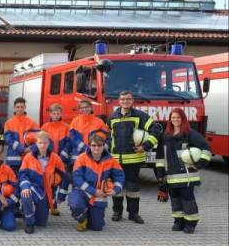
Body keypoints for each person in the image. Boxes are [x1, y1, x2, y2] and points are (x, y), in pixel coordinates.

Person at [107, 91, 162, 224]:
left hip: (133, 159)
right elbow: (109, 137)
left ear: (132, 101)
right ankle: (117, 212)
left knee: (133, 189)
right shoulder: (113, 117)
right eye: (123, 99)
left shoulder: (140, 116)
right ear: (119, 101)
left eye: (128, 99)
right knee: (117, 188)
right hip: (116, 160)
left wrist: (146, 146)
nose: (125, 101)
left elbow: (156, 129)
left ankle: (133, 214)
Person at [155, 108, 212, 234]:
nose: (175, 120)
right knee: (175, 199)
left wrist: (200, 163)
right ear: (170, 120)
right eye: (173, 117)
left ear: (183, 119)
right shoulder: (165, 136)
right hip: (171, 175)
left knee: (187, 199)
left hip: (187, 175)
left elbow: (206, 147)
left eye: (178, 117)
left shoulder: (190, 134)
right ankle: (178, 221)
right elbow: (160, 157)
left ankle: (191, 223)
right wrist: (160, 174)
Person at [61, 134, 125, 232]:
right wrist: (93, 191)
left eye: (99, 145)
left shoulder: (111, 160)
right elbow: (77, 179)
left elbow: (120, 177)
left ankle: (91, 214)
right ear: (89, 146)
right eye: (94, 145)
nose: (96, 148)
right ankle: (82, 220)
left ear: (104, 146)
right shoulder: (81, 158)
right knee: (75, 204)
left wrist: (115, 190)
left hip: (100, 194)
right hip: (82, 192)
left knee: (97, 227)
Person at [18, 131, 68, 234]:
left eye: (45, 143)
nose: (42, 145)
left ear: (49, 143)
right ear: (36, 143)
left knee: (41, 222)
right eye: (40, 143)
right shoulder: (29, 157)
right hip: (33, 186)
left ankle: (29, 212)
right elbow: (22, 174)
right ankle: (29, 222)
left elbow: (65, 177)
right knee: (26, 195)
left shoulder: (55, 158)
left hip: (47, 190)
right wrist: (25, 187)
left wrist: (61, 196)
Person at [40, 103, 71, 216]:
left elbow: (68, 143)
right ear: (50, 114)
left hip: (62, 159)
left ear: (61, 113)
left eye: (58, 113)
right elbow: (41, 143)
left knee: (63, 179)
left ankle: (59, 199)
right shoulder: (45, 127)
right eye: (54, 113)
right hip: (49, 159)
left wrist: (63, 155)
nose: (56, 115)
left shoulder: (66, 127)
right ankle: (53, 205)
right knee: (51, 182)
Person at [3, 97, 40, 175]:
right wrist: (22, 149)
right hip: (14, 160)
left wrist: (32, 148)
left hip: (29, 158)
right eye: (18, 107)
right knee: (14, 183)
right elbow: (8, 139)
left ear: (25, 107)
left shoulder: (32, 122)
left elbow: (39, 139)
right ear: (14, 108)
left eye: (22, 107)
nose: (20, 109)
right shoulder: (8, 123)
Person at [68, 99, 110, 166]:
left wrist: (100, 150)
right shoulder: (75, 121)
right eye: (82, 107)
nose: (85, 109)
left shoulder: (99, 122)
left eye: (87, 107)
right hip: (78, 156)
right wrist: (85, 148)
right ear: (79, 109)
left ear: (91, 107)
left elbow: (107, 137)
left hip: (95, 157)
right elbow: (72, 137)